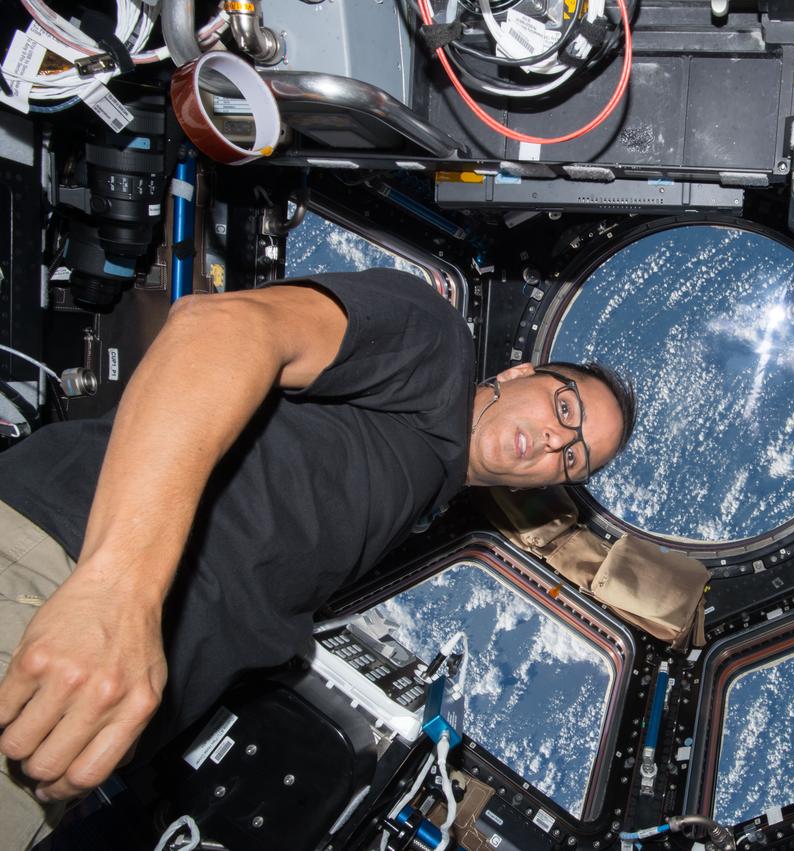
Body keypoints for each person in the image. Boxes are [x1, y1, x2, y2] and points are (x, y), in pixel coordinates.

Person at [0, 268, 636, 848]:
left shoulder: (422, 497)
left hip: (98, 706)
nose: (557, 440)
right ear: (520, 374)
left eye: (572, 457)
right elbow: (220, 328)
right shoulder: (436, 345)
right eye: (565, 407)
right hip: (61, 582)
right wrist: (118, 589)